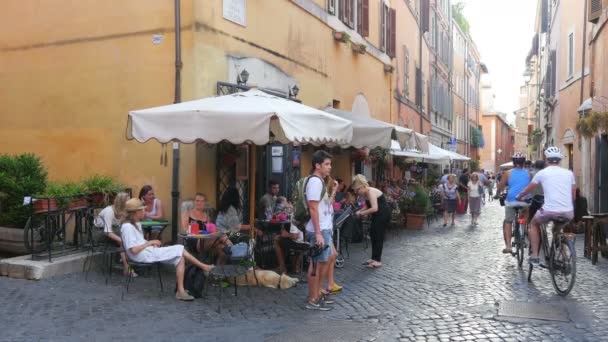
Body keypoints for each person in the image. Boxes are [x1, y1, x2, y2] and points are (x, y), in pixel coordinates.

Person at [120, 198, 214, 301]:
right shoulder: (127, 227)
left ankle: (180, 291)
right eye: (142, 210)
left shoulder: (136, 224)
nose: (144, 212)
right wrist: (150, 243)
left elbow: (140, 243)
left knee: (180, 258)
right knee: (180, 248)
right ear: (136, 212)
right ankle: (204, 267)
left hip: (148, 252)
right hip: (141, 256)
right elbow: (133, 250)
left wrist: (151, 245)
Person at [516, 147, 576, 264]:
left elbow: (529, 189)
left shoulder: (542, 173)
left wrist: (520, 196)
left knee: (533, 224)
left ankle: (535, 255)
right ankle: (563, 256)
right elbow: (573, 194)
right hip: (568, 212)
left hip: (549, 211)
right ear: (560, 160)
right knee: (557, 230)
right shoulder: (569, 173)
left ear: (546, 160)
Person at [305, 150, 336, 311]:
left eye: (330, 164)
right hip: (319, 229)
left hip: (324, 228)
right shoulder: (315, 182)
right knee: (316, 264)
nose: (329, 167)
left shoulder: (320, 181)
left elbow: (323, 206)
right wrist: (318, 233)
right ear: (317, 165)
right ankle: (312, 298)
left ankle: (317, 293)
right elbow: (313, 208)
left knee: (325, 260)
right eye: (326, 164)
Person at [353, 174, 391, 269]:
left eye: (357, 190)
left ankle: (377, 260)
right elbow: (368, 206)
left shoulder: (370, 192)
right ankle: (373, 258)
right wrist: (360, 211)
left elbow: (374, 208)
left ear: (362, 186)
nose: (357, 192)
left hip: (383, 214)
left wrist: (362, 213)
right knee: (373, 234)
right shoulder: (365, 193)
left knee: (378, 236)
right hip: (378, 214)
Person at [495, 152, 531, 254]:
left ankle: (508, 246)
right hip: (525, 200)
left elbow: (501, 186)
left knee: (508, 221)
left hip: (512, 200)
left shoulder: (508, 173)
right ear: (523, 162)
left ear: (513, 162)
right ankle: (523, 231)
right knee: (524, 217)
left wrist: (497, 194)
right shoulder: (529, 173)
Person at [95, 192, 133, 277]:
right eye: (127, 202)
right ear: (121, 203)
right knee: (122, 240)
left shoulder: (122, 211)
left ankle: (127, 262)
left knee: (127, 237)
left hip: (113, 231)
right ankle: (127, 267)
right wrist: (121, 240)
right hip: (99, 233)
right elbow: (107, 232)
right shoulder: (109, 211)